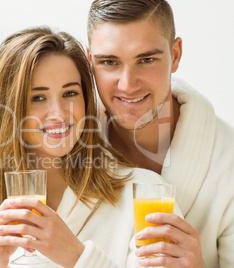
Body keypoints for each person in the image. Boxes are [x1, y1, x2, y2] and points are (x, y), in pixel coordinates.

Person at [0, 26, 168, 268]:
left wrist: (77, 257)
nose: (59, 113)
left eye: (70, 93)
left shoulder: (147, 195)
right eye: (38, 98)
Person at [86, 0, 234, 267]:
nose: (128, 84)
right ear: (89, 61)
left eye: (146, 59)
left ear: (175, 55)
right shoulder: (68, 149)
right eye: (109, 62)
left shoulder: (228, 160)